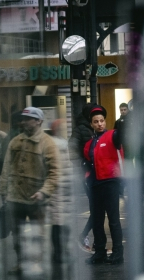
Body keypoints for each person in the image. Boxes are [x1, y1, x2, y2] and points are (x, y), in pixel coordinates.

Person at [0, 107, 59, 274]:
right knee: (16, 234)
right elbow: (6, 168)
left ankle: (36, 263)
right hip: (15, 197)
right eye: (23, 118)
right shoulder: (15, 141)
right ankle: (20, 262)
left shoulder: (47, 143)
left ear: (38, 121)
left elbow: (54, 173)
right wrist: (4, 191)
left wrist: (44, 192)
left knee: (37, 234)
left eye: (28, 118)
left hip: (36, 198)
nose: (24, 121)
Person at [83, 105, 125, 265]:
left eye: (101, 121)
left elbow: (120, 136)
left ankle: (117, 252)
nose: (100, 123)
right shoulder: (90, 143)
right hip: (95, 184)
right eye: (96, 121)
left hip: (110, 183)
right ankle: (100, 252)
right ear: (92, 124)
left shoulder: (112, 135)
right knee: (97, 220)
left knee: (113, 219)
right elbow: (87, 161)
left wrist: (122, 123)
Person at [68, 103, 95, 253]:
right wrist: (82, 165)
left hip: (97, 174)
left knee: (97, 208)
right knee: (97, 207)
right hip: (88, 174)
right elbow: (71, 148)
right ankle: (84, 235)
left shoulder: (92, 128)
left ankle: (92, 239)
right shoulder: (80, 129)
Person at [48, 119, 72, 264]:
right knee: (59, 222)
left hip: (61, 188)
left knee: (59, 222)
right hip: (59, 188)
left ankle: (59, 251)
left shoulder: (60, 143)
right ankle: (59, 251)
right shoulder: (56, 144)